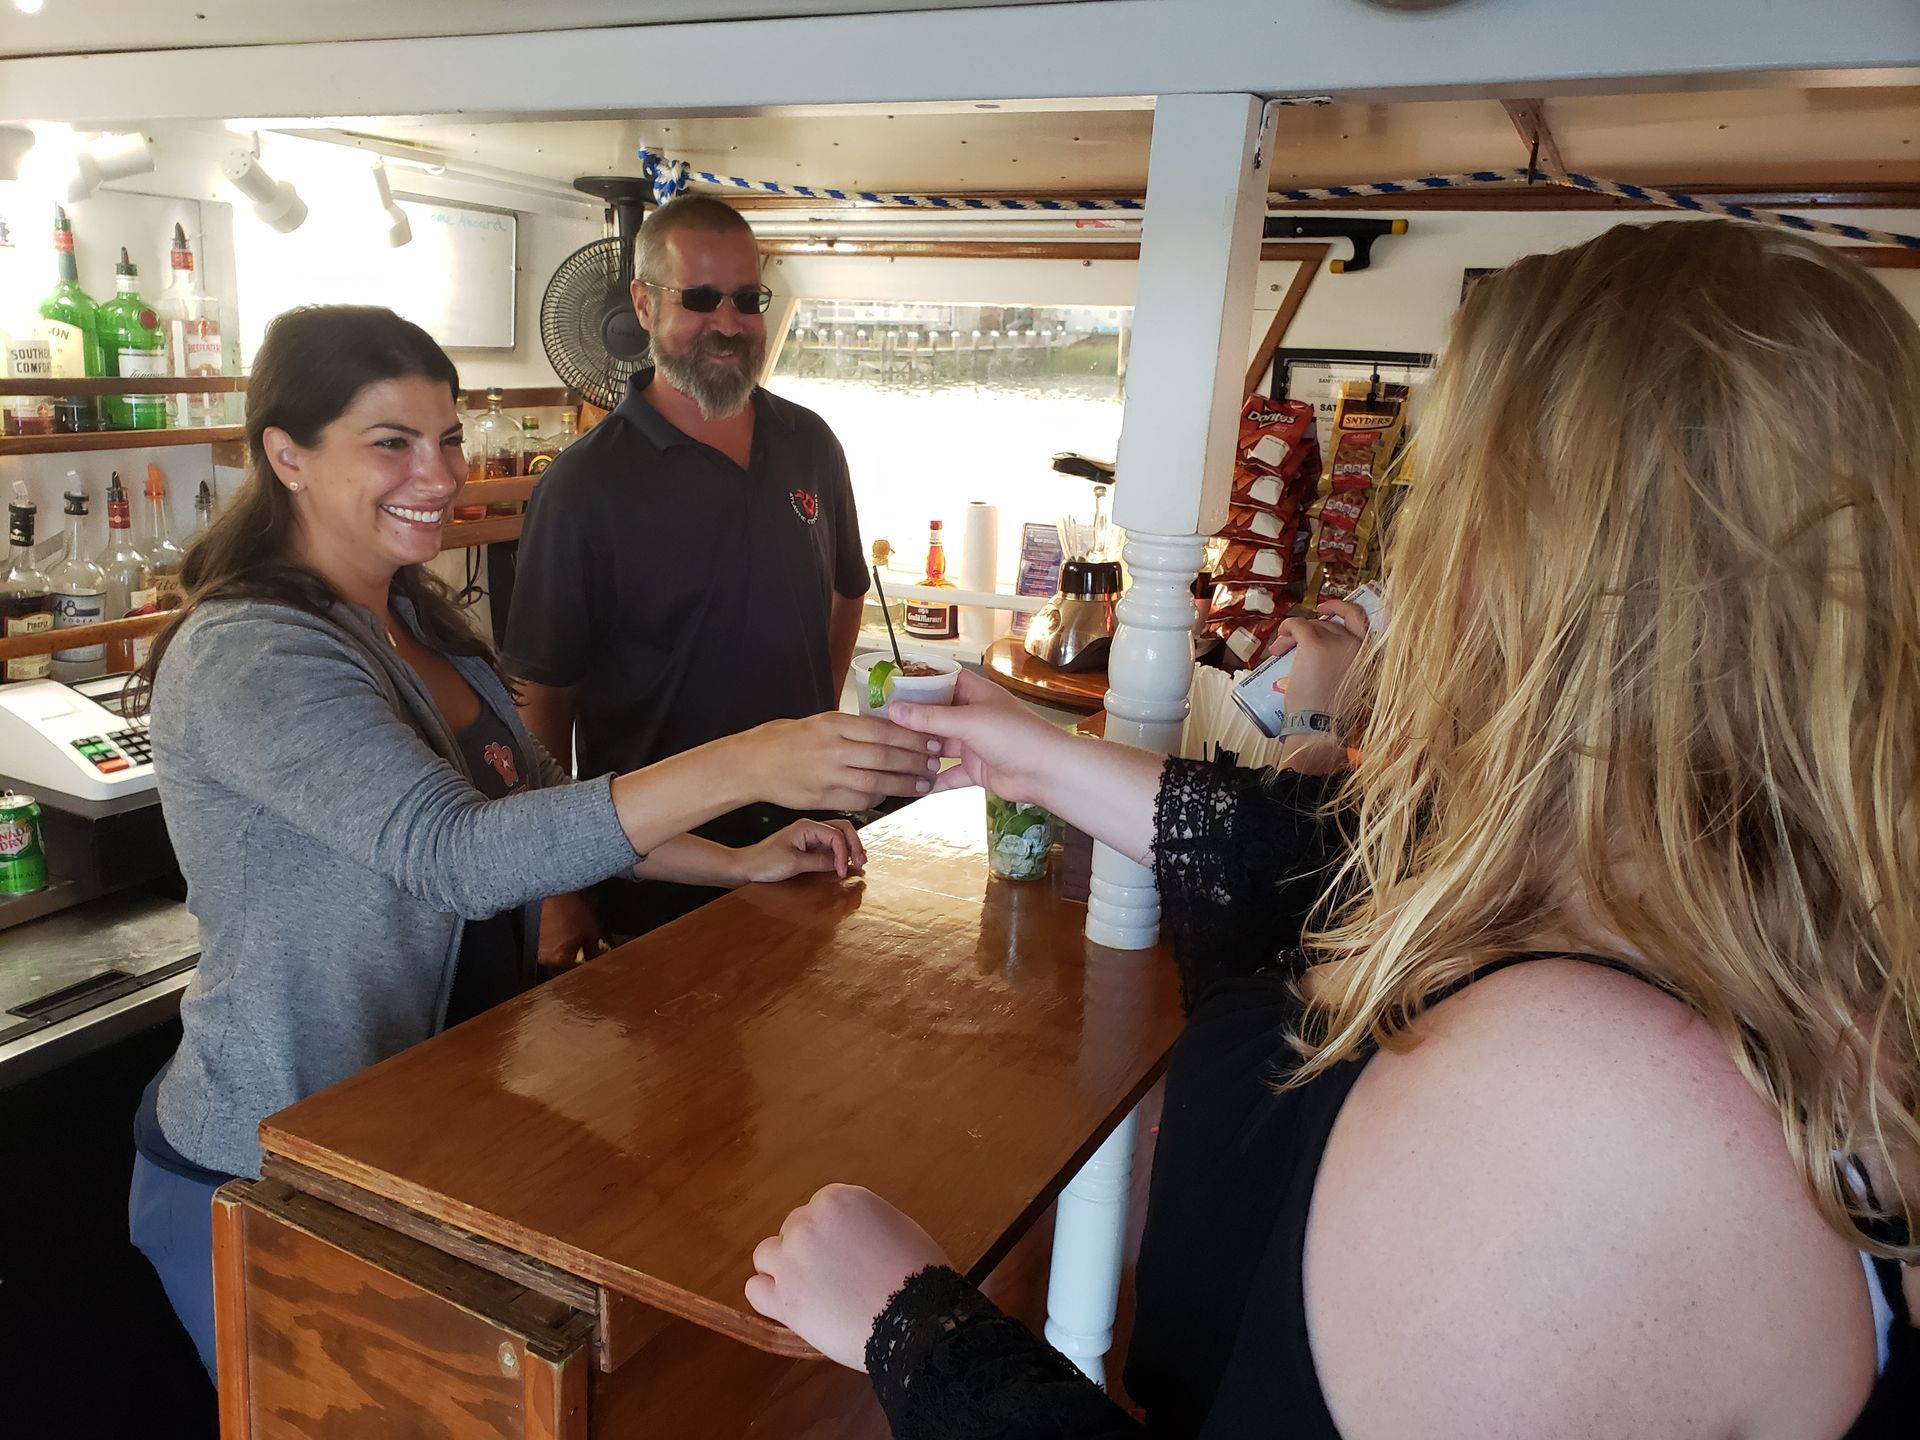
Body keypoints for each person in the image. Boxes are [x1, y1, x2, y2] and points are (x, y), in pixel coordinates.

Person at [744, 221, 1920, 1436]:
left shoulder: (1581, 1120)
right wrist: (1031, 754)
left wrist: (912, 1326)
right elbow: (1324, 851)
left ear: (1536, 572)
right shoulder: (1797, 955)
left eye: (1442, 499)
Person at [127, 304, 935, 1379]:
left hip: (414, 1133)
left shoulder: (419, 623)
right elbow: (460, 857)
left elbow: (544, 808)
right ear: (287, 455)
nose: (439, 474)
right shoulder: (251, 654)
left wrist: (739, 860)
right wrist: (747, 762)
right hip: (265, 1164)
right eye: (392, 442)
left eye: (448, 437)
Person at [505, 193, 870, 957]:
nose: (728, 323)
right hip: (656, 875)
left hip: (811, 848)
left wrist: (811, 730)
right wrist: (557, 885)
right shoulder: (582, 488)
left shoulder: (812, 444)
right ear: (643, 304)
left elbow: (846, 592)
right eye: (700, 299)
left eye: (747, 299)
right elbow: (542, 700)